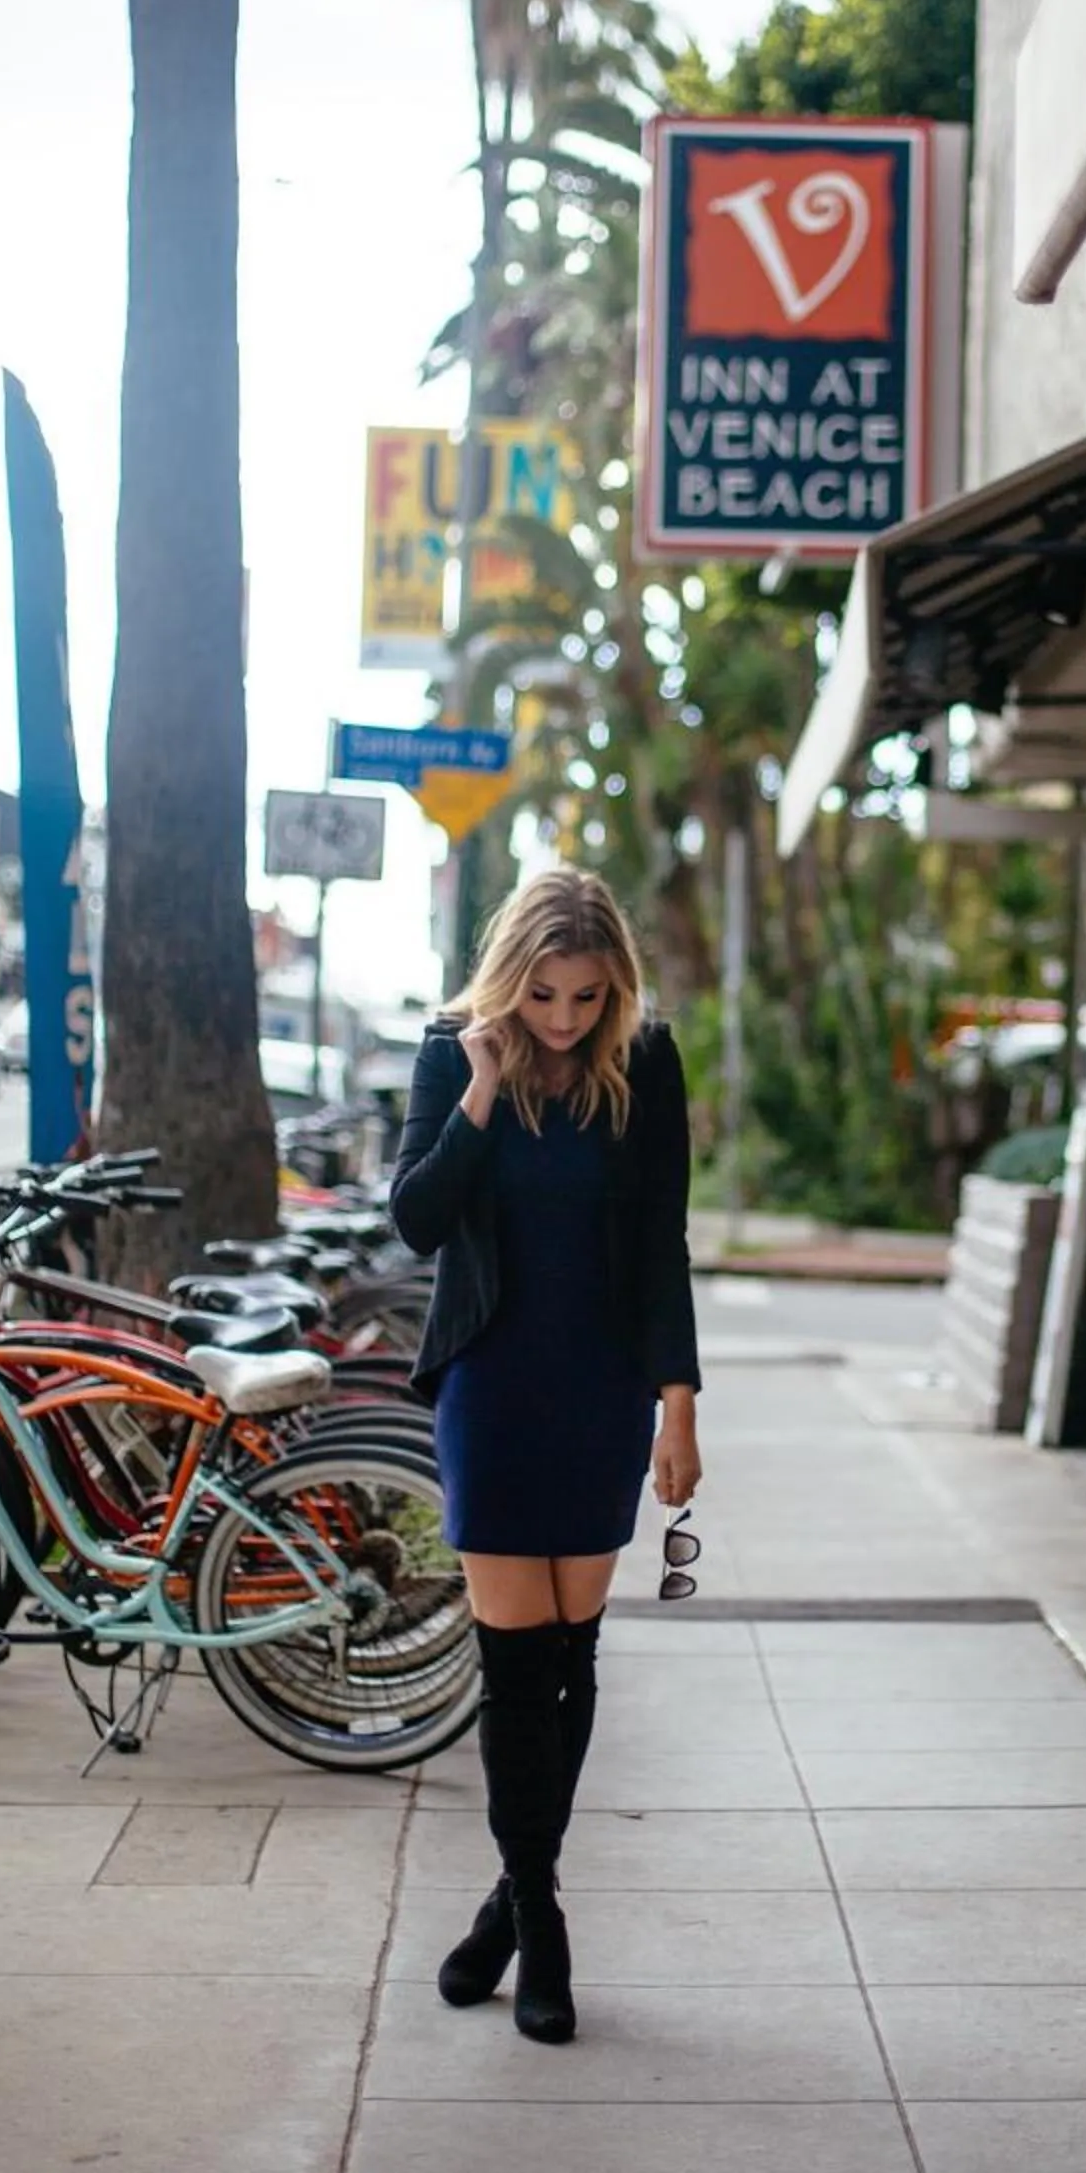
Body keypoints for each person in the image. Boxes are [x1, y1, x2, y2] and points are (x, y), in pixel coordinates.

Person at [390, 865, 702, 2043]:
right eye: (543, 996)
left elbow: (662, 1241)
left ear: (614, 986)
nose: (564, 1019)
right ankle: (542, 1921)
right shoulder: (448, 1055)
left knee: (573, 1653)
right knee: (516, 1669)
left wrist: (677, 1408)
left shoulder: (645, 1061)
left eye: (586, 996)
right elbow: (416, 1220)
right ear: (508, 979)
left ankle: (506, 1908)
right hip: (491, 1384)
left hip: (601, 1391)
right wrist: (480, 1091)